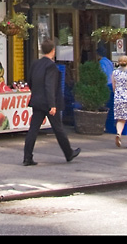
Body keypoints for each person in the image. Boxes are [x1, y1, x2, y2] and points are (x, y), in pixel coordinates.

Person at [22, 38, 80, 166]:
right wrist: (52, 104)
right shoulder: (51, 66)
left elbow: (30, 81)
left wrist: (36, 93)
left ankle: (27, 157)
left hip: (37, 100)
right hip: (48, 102)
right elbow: (50, 85)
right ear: (53, 51)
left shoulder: (35, 64)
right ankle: (68, 153)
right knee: (58, 128)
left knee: (33, 129)